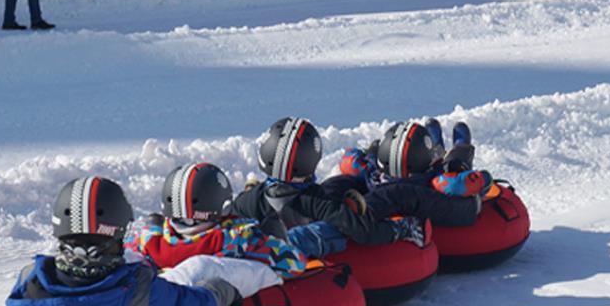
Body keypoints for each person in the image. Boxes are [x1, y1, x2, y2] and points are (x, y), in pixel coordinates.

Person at [6, 176, 238, 306]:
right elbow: (193, 305)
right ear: (118, 231)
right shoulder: (141, 295)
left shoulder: (29, 281)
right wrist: (219, 289)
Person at [230, 117, 420, 259]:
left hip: (255, 254)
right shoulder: (318, 201)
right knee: (335, 229)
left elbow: (223, 223)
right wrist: (401, 228)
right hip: (297, 261)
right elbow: (364, 231)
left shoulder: (249, 199)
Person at [126, 162, 309, 280]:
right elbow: (295, 263)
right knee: (273, 225)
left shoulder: (147, 242)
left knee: (153, 221)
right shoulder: (238, 241)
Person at [332, 118, 496, 211]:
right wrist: (480, 177)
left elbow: (348, 160)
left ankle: (436, 144)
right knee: (456, 162)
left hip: (399, 173)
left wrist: (371, 152)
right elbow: (472, 182)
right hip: (433, 175)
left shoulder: (372, 175)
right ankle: (460, 145)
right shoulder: (436, 183)